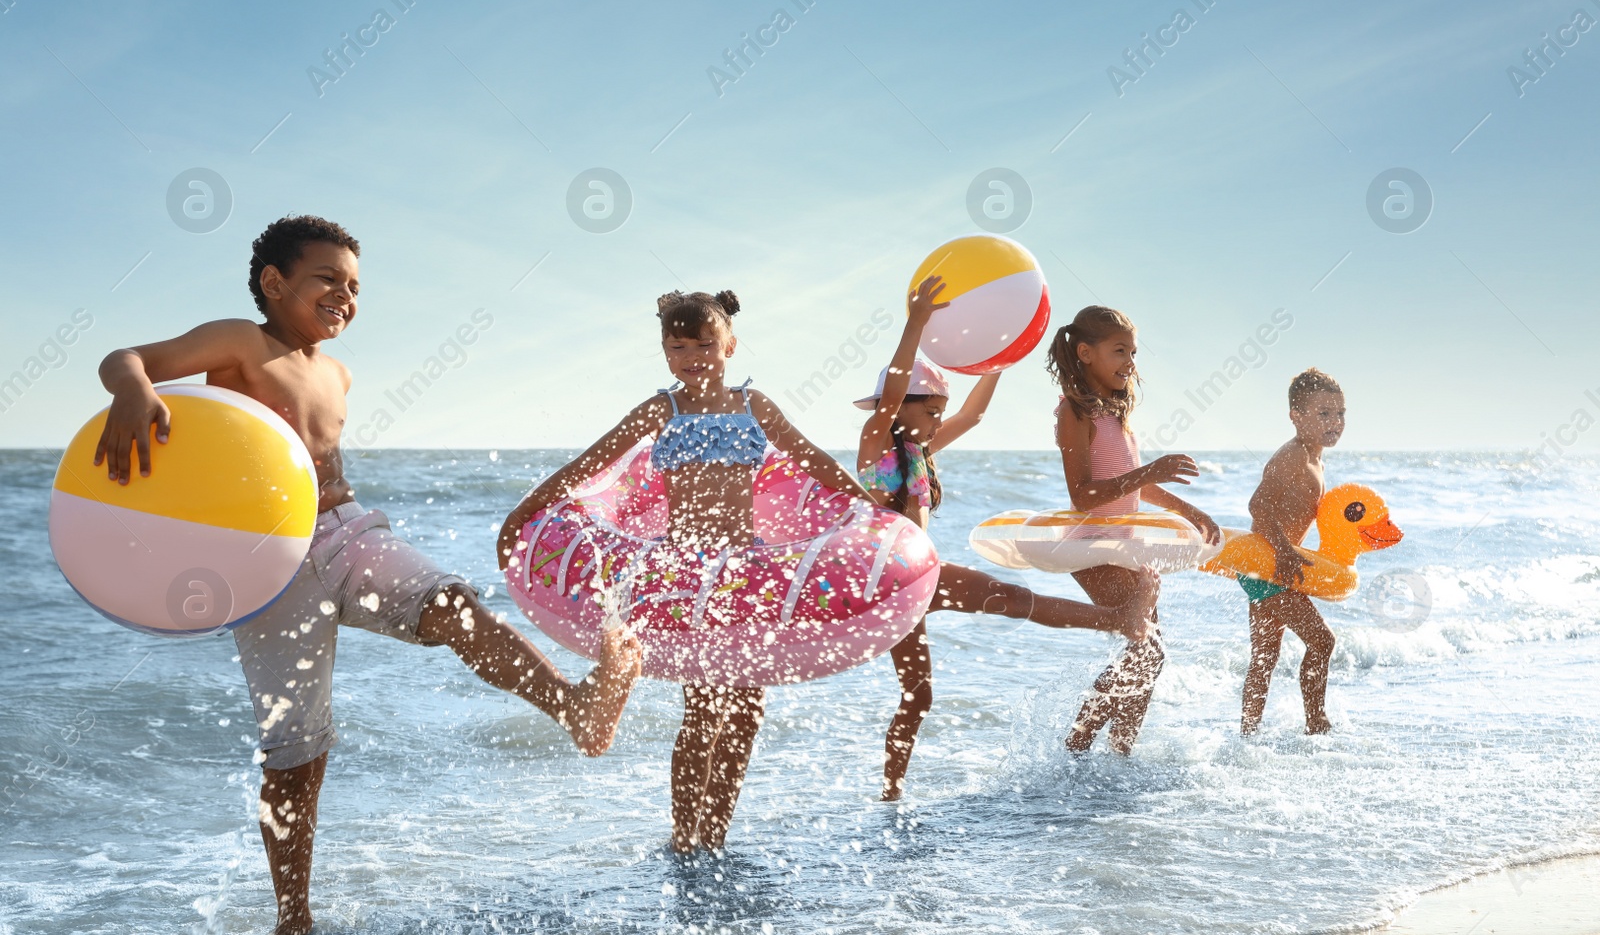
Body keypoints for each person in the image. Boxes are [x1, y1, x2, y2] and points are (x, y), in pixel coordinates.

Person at [94, 215, 642, 935]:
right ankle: (295, 916)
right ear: (274, 282)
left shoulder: (339, 373)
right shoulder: (239, 340)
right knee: (296, 754)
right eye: (328, 278)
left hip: (344, 530)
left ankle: (578, 710)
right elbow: (123, 356)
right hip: (263, 564)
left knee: (454, 604)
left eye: (354, 286)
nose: (344, 295)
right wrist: (134, 389)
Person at [498, 289, 873, 853]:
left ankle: (715, 834)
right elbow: (589, 464)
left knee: (746, 709)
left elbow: (811, 458)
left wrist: (868, 505)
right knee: (701, 709)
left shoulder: (754, 404)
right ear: (664, 351)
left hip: (743, 566)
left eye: (704, 345)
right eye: (677, 346)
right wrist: (525, 512)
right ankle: (683, 836)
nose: (692, 356)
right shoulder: (662, 410)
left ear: (730, 346)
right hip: (688, 571)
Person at [857, 277, 1159, 800]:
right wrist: (916, 323)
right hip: (887, 582)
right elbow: (896, 388)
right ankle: (1119, 621)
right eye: (927, 410)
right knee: (928, 679)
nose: (936, 421)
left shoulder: (923, 449)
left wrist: (997, 362)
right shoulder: (876, 442)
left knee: (940, 672)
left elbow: (973, 416)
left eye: (937, 413)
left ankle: (891, 793)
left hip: (922, 575)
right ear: (897, 405)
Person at [1048, 305, 1219, 754]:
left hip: (1123, 545)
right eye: (1119, 350)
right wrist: (1148, 473)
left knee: (1150, 657)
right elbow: (1083, 494)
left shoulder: (1115, 412)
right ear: (1086, 353)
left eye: (1134, 352)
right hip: (1090, 547)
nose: (1130, 362)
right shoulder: (1074, 413)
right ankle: (1077, 748)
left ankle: (1120, 753)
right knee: (1145, 653)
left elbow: (1133, 484)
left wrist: (1189, 512)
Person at [1238, 368, 1346, 736]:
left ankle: (1247, 733)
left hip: (1270, 566)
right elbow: (1258, 506)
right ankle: (1316, 722)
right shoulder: (1294, 456)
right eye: (1324, 414)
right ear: (1296, 417)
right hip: (1268, 566)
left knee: (1265, 657)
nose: (1335, 422)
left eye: (1340, 414)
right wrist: (1284, 551)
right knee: (1323, 640)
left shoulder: (1316, 458)